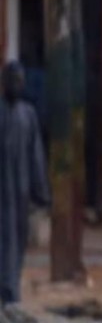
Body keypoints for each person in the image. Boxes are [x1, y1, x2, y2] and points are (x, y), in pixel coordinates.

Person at [0, 61, 50, 304]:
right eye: (12, 80)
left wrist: (40, 193)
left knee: (16, 242)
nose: (16, 85)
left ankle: (11, 291)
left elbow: (36, 156)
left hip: (19, 193)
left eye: (20, 80)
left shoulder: (28, 114)